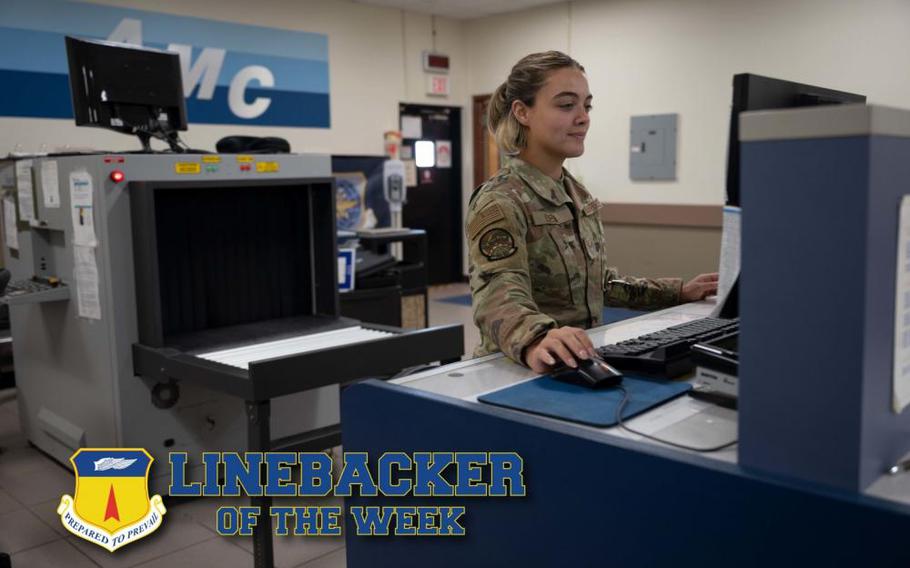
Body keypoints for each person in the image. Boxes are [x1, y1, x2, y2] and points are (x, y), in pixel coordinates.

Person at [466, 51, 718, 374]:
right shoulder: (500, 200)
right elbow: (496, 294)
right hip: (518, 368)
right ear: (522, 112)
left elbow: (599, 285)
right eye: (566, 105)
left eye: (587, 105)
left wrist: (679, 291)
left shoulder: (577, 195)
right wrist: (534, 340)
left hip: (576, 362)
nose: (583, 117)